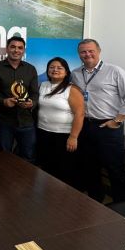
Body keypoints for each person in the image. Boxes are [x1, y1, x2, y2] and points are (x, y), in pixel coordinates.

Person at [71, 39, 125, 203]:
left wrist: (117, 121)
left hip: (108, 126)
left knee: (114, 168)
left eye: (91, 51)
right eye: (83, 52)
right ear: (79, 54)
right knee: (90, 166)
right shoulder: (75, 73)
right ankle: (95, 200)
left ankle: (121, 206)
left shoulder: (115, 71)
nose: (87, 54)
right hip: (85, 125)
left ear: (99, 51)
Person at [0, 36, 38, 161]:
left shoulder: (31, 69)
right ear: (7, 49)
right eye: (13, 47)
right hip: (4, 122)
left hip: (26, 121)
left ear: (23, 50)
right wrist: (3, 102)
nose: (16, 50)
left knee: (28, 157)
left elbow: (35, 93)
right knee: (3, 158)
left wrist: (32, 103)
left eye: (20, 48)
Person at [36, 57, 84, 187]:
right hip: (43, 133)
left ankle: (65, 197)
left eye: (59, 68)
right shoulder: (43, 85)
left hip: (63, 136)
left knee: (64, 170)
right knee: (47, 168)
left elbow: (80, 114)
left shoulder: (71, 89)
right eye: (51, 67)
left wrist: (73, 137)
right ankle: (50, 194)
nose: (55, 70)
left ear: (66, 71)